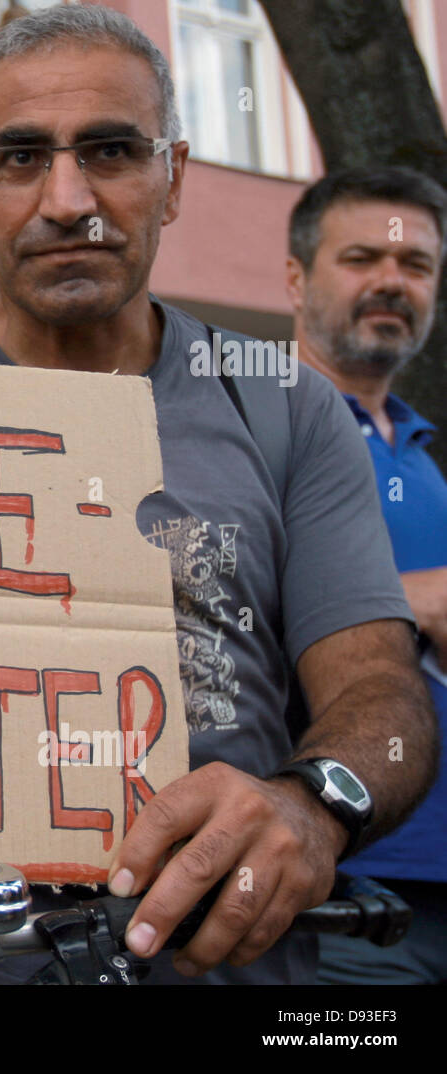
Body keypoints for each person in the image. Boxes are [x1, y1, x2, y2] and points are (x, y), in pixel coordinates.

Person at [0, 6, 435, 984]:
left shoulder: (286, 408)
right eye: (15, 160)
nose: (66, 199)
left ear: (172, 177)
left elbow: (379, 693)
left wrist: (313, 806)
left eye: (111, 151)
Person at [285, 166, 447, 984]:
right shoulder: (255, 424)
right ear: (295, 277)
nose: (391, 280)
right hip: (344, 889)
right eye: (361, 258)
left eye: (415, 266)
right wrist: (419, 601)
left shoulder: (421, 452)